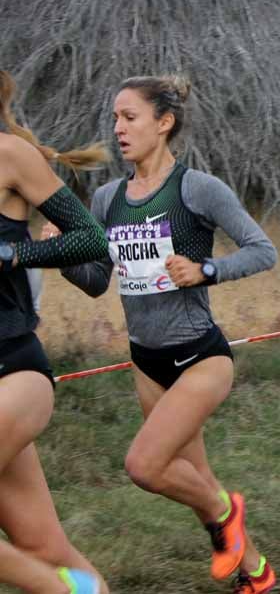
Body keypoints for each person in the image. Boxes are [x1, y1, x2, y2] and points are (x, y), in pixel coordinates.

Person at [56, 75, 278, 593]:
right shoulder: (108, 198)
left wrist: (206, 270)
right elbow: (95, 282)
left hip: (199, 356)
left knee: (145, 466)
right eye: (115, 118)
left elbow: (263, 250)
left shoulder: (197, 188)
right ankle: (257, 574)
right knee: (196, 481)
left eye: (129, 118)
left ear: (164, 122)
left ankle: (229, 511)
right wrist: (63, 253)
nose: (118, 129)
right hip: (146, 362)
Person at [0, 70, 109, 594]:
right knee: (43, 547)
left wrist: (14, 253)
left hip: (13, 372)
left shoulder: (12, 157)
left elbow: (91, 240)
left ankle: (66, 591)